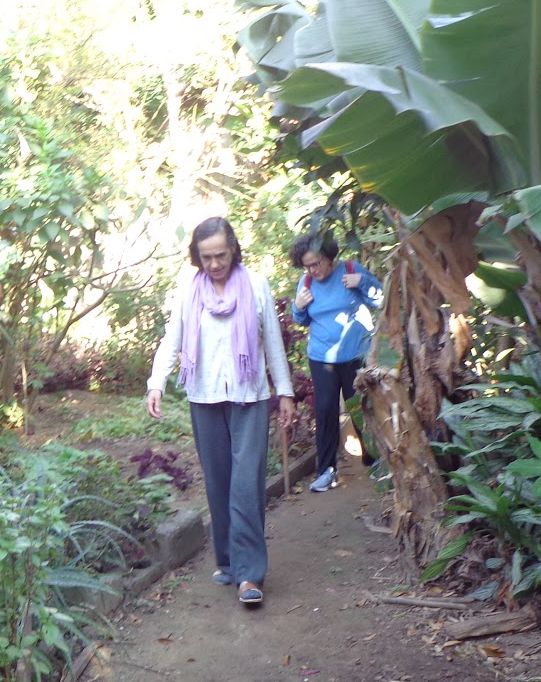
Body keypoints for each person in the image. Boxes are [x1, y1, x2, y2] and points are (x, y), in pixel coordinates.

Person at [146, 217, 295, 608]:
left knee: (246, 486)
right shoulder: (187, 290)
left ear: (234, 250)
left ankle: (249, 575)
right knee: (218, 483)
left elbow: (273, 344)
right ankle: (228, 562)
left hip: (250, 397)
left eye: (221, 255)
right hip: (204, 398)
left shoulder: (256, 285)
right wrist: (156, 382)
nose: (214, 264)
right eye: (206, 257)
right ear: (197, 256)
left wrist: (285, 392)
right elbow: (172, 338)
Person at [289, 231, 384, 493]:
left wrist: (362, 282)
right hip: (322, 358)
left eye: (317, 263)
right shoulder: (306, 282)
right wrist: (297, 306)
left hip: (356, 354)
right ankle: (326, 471)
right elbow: (301, 320)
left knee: (361, 407)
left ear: (329, 257)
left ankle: (374, 460)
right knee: (326, 410)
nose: (313, 269)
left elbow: (381, 300)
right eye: (307, 265)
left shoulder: (352, 270)